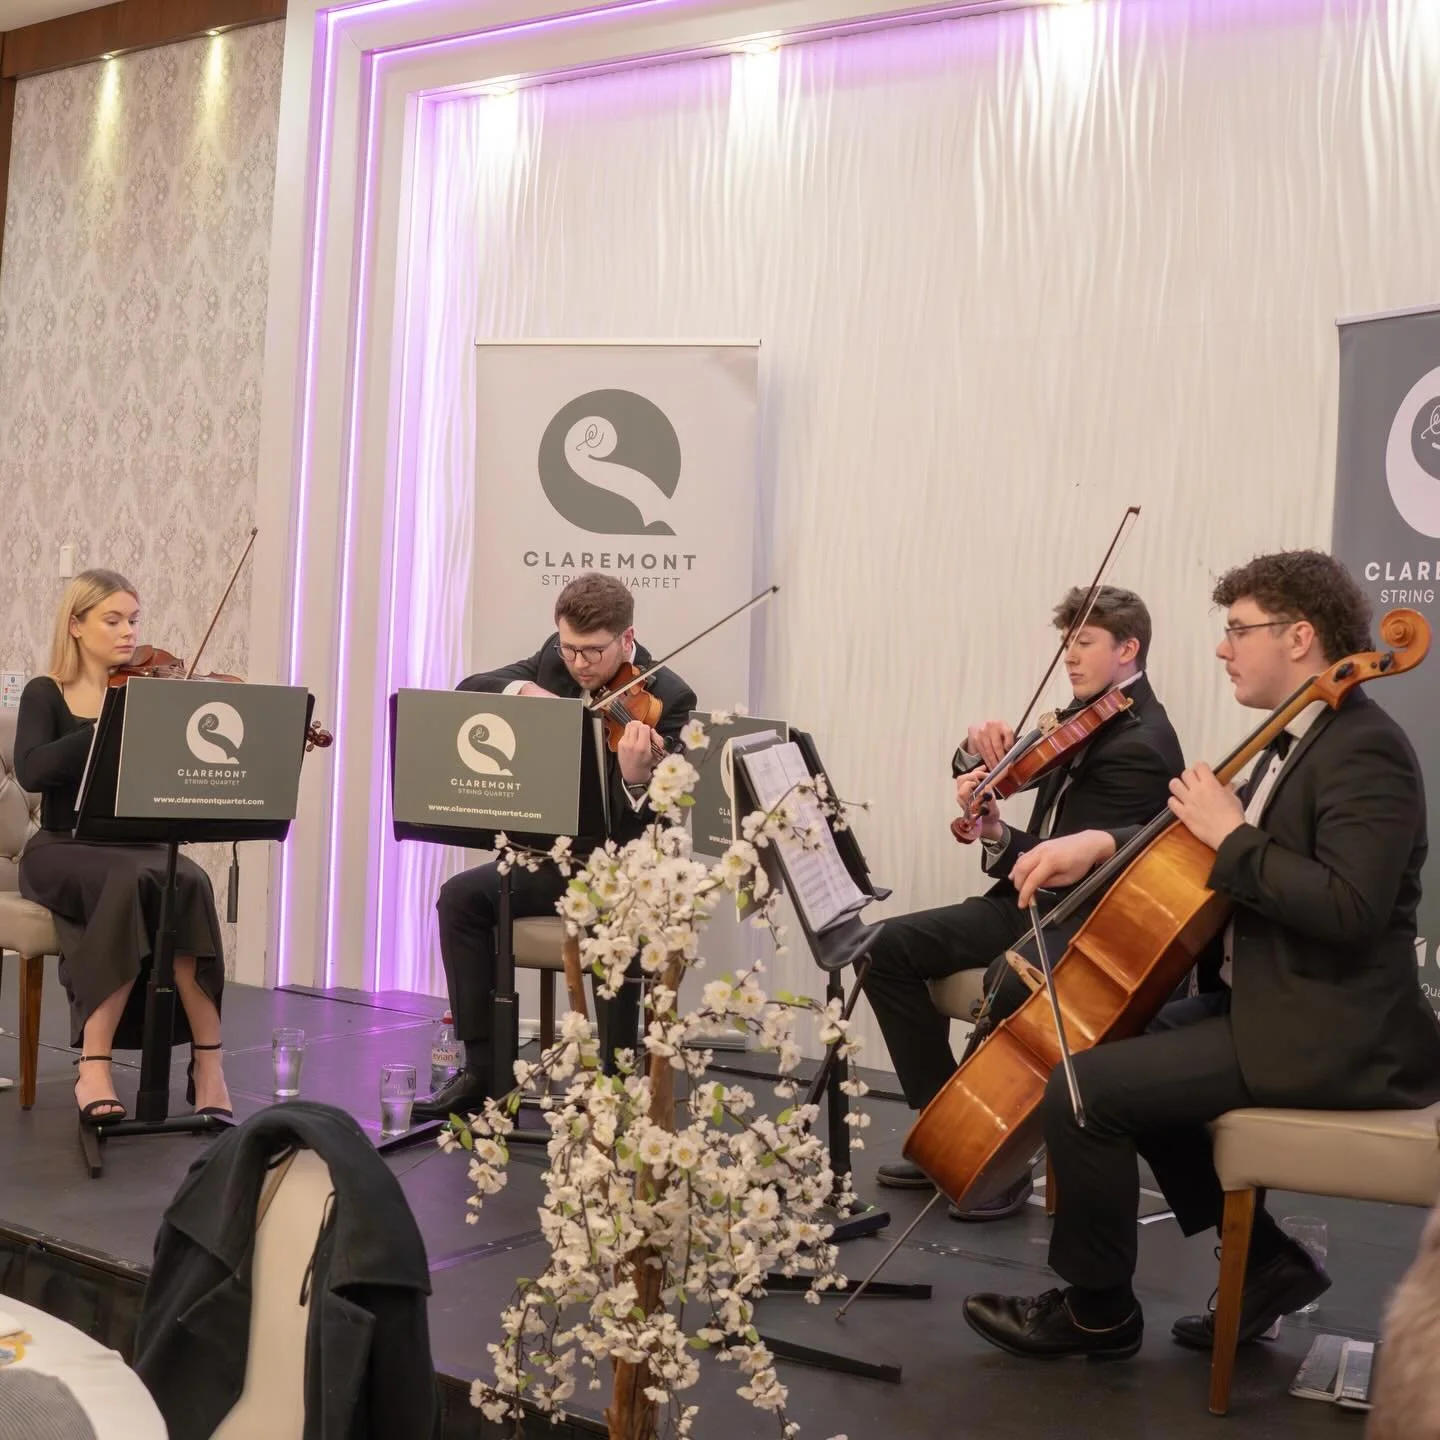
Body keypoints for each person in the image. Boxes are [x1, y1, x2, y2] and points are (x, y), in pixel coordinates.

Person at [963, 550, 1440, 1360]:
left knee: (1085, 1086)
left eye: (1236, 631)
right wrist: (1097, 843)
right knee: (1122, 1046)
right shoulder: (1308, 731)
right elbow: (1192, 847)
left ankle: (1098, 1309)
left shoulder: (1366, 750)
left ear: (1298, 638)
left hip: (1332, 1029)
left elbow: (1352, 911)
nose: (1223, 649)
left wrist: (1235, 835)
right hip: (1274, 1000)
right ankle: (1266, 1265)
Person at [864, 585, 1183, 1217]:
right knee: (883, 949)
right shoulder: (1086, 712)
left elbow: (1068, 869)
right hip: (1023, 902)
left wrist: (997, 835)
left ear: (1128, 648)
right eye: (1066, 643)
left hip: (1078, 922)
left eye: (1084, 643)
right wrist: (972, 750)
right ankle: (943, 1130)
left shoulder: (1141, 743)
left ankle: (999, 1158)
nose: (1069, 656)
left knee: (1002, 981)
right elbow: (1005, 767)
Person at [413, 572, 697, 1120]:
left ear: (626, 638)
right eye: (570, 647)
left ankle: (615, 1081)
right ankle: (481, 1069)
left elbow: (653, 822)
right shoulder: (553, 660)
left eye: (593, 651)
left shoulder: (668, 697)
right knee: (460, 898)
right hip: (557, 862)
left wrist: (636, 779)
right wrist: (528, 692)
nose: (580, 664)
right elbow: (472, 688)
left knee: (621, 920)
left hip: (624, 871)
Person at [15, 571, 230, 1125]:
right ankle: (95, 1064)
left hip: (136, 844)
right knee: (134, 881)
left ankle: (208, 1064)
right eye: (112, 620)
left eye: (133, 620)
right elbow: (35, 770)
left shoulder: (147, 693)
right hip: (62, 847)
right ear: (77, 626)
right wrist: (109, 722)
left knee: (189, 878)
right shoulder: (48, 692)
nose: (128, 632)